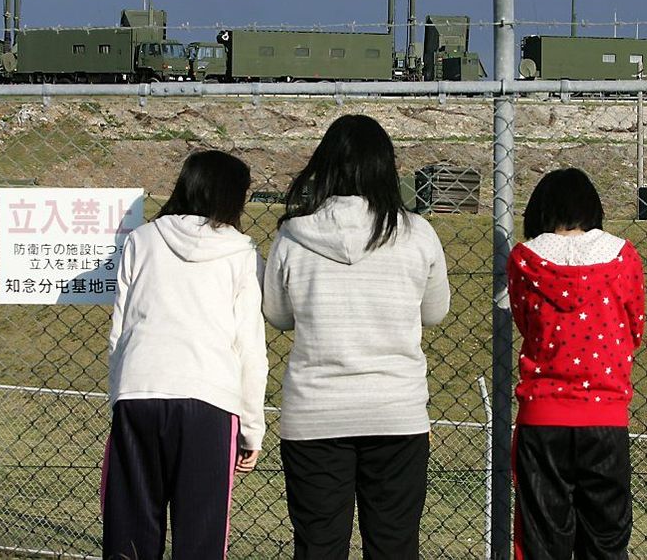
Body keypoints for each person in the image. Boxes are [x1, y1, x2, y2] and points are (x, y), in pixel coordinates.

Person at [263, 114, 450, 559]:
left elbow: (277, 314)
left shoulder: (293, 236)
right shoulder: (416, 233)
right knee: (393, 544)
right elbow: (436, 312)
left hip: (315, 413)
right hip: (395, 411)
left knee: (318, 545)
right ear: (386, 168)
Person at [102, 150, 268, 560]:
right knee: (201, 536)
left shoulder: (141, 240)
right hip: (209, 400)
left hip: (139, 392)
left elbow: (119, 332)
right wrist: (252, 429)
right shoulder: (242, 253)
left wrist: (120, 398)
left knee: (131, 533)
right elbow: (249, 347)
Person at [507, 168, 646, 560]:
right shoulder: (623, 257)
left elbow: (524, 321)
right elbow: (635, 326)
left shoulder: (524, 259)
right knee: (606, 538)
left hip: (543, 413)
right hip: (605, 414)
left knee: (541, 540)